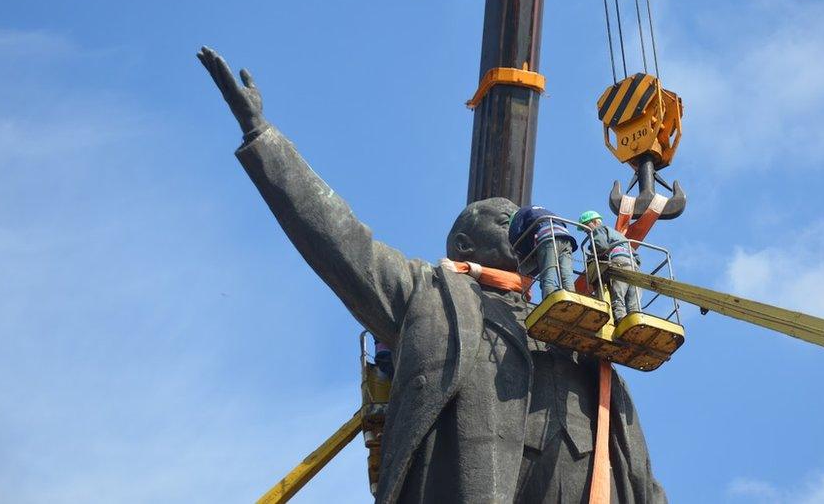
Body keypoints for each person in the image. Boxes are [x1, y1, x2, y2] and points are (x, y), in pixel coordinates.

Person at [198, 47, 667, 504]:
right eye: (505, 221)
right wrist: (263, 137)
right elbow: (340, 242)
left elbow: (638, 469)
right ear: (464, 245)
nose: (522, 224)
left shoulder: (574, 316)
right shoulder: (434, 296)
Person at [579, 210, 642, 321]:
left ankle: (620, 321)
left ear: (593, 222)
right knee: (633, 302)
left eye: (585, 227)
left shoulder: (598, 230)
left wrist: (591, 256)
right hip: (633, 264)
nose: (586, 232)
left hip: (619, 261)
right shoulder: (617, 235)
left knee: (618, 296)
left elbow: (601, 246)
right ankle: (635, 322)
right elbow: (637, 257)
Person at [507, 205, 579, 297]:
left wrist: (523, 254)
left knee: (548, 274)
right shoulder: (542, 210)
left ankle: (549, 298)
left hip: (548, 237)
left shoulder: (518, 215)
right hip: (566, 237)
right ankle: (571, 296)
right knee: (566, 273)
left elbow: (515, 235)